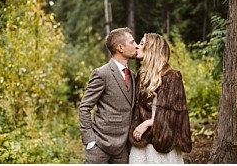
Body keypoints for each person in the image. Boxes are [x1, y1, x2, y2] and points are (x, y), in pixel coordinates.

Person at [128, 33, 192, 164]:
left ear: (152, 48)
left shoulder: (172, 77)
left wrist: (146, 124)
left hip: (162, 140)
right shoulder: (141, 76)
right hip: (141, 141)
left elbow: (174, 116)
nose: (137, 47)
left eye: (141, 43)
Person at [78, 27, 139, 163]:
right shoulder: (102, 74)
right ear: (120, 47)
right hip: (100, 146)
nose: (137, 46)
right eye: (132, 42)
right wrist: (90, 141)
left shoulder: (133, 76)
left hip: (124, 147)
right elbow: (84, 108)